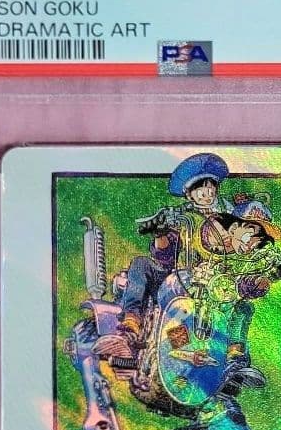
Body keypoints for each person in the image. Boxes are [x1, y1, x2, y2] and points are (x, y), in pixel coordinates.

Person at [93, 152, 232, 358]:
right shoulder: (182, 217)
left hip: (214, 283)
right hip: (177, 278)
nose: (207, 194)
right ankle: (132, 324)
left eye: (211, 188)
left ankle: (231, 355)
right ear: (189, 195)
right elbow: (164, 256)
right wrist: (160, 233)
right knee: (142, 264)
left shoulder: (228, 219)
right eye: (201, 190)